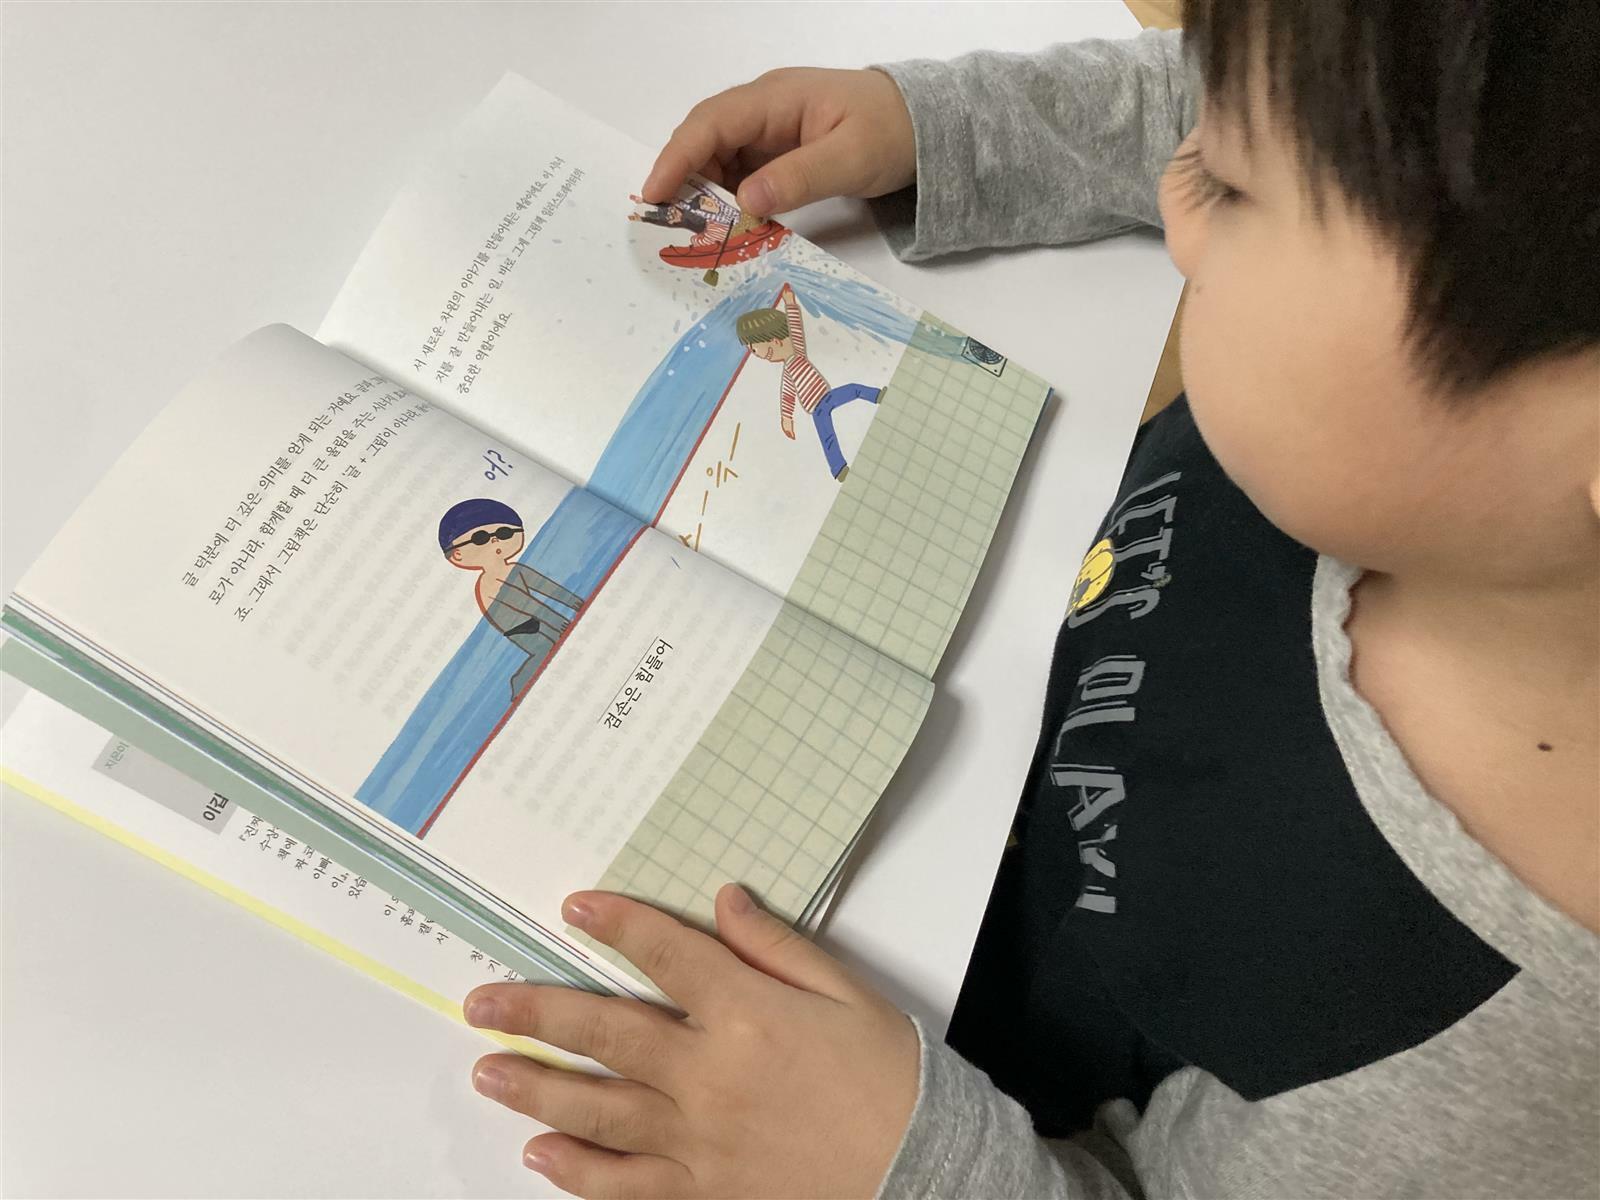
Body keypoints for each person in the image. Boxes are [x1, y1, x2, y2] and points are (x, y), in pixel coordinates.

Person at [457, 2, 1600, 1197]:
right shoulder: (1449, 443)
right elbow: (1293, 99)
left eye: (1231, 189)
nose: (1176, 195)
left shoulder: (1486, 1079)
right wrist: (951, 131)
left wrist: (897, 1165)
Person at [438, 498, 585, 698]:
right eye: (480, 538)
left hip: (535, 616)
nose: (495, 541)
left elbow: (546, 587)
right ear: (457, 555)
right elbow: (517, 607)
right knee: (544, 649)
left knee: (559, 640)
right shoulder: (487, 583)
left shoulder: (516, 569)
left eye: (504, 533)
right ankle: (520, 683)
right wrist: (554, 620)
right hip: (518, 626)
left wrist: (575, 602)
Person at [738, 287, 884, 481]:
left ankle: (877, 395)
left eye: (754, 349)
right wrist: (787, 419)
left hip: (827, 396)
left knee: (853, 389)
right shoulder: (788, 373)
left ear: (774, 342)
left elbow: (795, 326)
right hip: (817, 409)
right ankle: (839, 469)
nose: (755, 354)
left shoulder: (797, 351)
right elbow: (787, 396)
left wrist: (790, 303)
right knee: (827, 437)